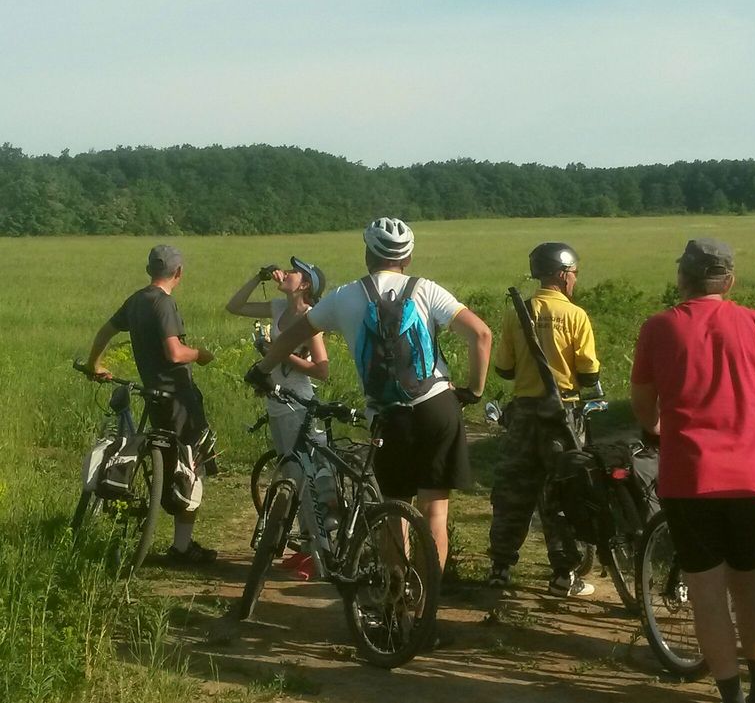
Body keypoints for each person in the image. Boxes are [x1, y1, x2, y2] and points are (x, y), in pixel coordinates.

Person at [630, 239, 755, 703]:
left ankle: (731, 695)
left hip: (690, 480)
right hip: (750, 480)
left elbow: (643, 402)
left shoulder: (658, 327)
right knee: (750, 586)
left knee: (708, 594)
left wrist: (656, 429)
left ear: (682, 278)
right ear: (729, 281)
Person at [245, 217, 492, 578]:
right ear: (407, 259)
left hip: (388, 416)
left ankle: (395, 596)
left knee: (395, 511)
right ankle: (426, 602)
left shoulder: (344, 296)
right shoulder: (426, 289)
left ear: (367, 255)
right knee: (435, 513)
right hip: (436, 405)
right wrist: (473, 390)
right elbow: (481, 335)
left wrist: (263, 368)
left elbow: (289, 337)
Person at [85, 244, 218, 564]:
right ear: (179, 272)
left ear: (149, 270)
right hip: (179, 397)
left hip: (153, 395)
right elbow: (174, 353)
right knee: (191, 466)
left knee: (167, 459)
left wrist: (94, 364)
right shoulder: (164, 303)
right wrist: (200, 354)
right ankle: (182, 547)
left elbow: (105, 331)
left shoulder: (136, 300)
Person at [487, 242, 601, 597]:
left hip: (523, 414)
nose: (575, 280)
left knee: (513, 491)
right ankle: (564, 575)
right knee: (564, 493)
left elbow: (504, 369)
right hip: (562, 417)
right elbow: (589, 374)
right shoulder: (576, 316)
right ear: (562, 275)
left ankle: (500, 567)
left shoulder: (516, 312)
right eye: (574, 273)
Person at [226, 257, 329, 578]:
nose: (286, 273)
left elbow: (322, 370)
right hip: (276, 402)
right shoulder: (278, 307)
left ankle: (319, 552)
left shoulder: (310, 318)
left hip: (298, 404)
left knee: (304, 478)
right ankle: (306, 546)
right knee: (290, 476)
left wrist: (278, 351)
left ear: (306, 284)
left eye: (295, 272)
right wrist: (257, 278)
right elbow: (234, 306)